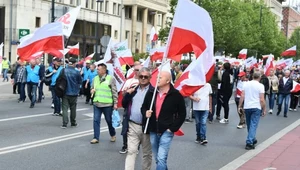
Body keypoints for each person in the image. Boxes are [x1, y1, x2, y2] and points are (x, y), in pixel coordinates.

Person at [142, 71, 186, 170]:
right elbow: (143, 107)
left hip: (167, 130)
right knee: (158, 159)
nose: (157, 79)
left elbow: (182, 114)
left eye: (160, 77)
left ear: (167, 80)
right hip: (153, 129)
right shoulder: (151, 93)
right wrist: (145, 113)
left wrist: (172, 128)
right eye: (157, 77)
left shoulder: (175, 95)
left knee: (161, 158)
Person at [123, 67, 153, 170]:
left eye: (146, 76)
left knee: (147, 154)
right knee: (131, 151)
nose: (143, 78)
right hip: (133, 125)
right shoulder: (134, 89)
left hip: (147, 127)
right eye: (141, 76)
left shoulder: (153, 92)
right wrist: (127, 94)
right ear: (138, 77)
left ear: (150, 77)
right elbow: (124, 104)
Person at [90, 63, 118, 144]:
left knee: (109, 120)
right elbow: (92, 88)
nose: (97, 70)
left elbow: (114, 92)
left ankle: (112, 134)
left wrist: (115, 103)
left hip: (107, 104)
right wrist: (91, 90)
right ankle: (96, 137)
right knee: (96, 120)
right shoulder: (95, 78)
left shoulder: (110, 78)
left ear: (103, 70)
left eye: (98, 69)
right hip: (97, 103)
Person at [238, 71, 266, 150]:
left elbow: (242, 95)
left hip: (247, 106)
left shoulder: (246, 84)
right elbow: (262, 99)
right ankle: (249, 141)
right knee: (253, 125)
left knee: (249, 124)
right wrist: (264, 108)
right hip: (256, 106)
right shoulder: (260, 86)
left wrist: (240, 106)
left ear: (252, 76)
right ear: (259, 77)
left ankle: (252, 138)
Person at [119, 64, 142, 154]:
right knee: (125, 127)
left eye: (138, 70)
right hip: (129, 107)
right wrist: (127, 92)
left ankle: (136, 146)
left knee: (138, 128)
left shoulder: (144, 81)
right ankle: (125, 145)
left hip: (140, 108)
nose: (136, 72)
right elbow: (123, 94)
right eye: (135, 70)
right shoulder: (129, 81)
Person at [61, 58, 82, 129]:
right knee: (73, 108)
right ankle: (73, 122)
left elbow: (59, 80)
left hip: (65, 92)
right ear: (74, 63)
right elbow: (80, 82)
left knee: (64, 108)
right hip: (74, 92)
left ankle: (64, 123)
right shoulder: (76, 72)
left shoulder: (63, 70)